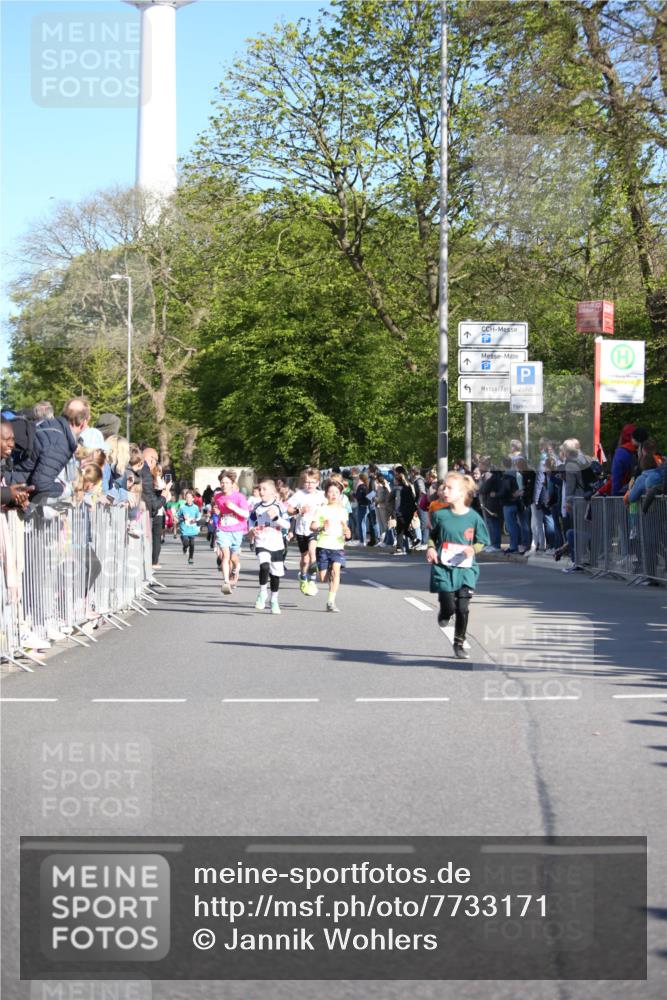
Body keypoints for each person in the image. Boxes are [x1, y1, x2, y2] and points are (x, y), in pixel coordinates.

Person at [425, 472, 489, 659]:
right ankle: (444, 612)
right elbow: (432, 537)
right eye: (443, 487)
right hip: (443, 567)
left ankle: (459, 643)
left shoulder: (474, 517)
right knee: (449, 606)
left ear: (461, 493)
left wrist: (473, 549)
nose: (444, 490)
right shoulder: (439, 515)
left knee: (462, 608)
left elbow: (482, 541)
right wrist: (430, 548)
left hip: (466, 568)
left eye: (449, 488)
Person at [248, 478, 291, 614]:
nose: (261, 491)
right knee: (264, 565)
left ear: (273, 492)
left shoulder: (279, 506)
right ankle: (262, 593)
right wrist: (251, 529)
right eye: (260, 489)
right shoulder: (257, 507)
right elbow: (250, 520)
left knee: (275, 574)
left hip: (276, 543)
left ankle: (274, 600)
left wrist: (276, 519)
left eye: (264, 489)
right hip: (262, 541)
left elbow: (288, 525)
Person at [310, 477, 352, 612]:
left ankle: (331, 601)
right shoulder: (321, 509)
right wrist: (322, 526)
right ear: (326, 494)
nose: (333, 495)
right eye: (331, 492)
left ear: (340, 494)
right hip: (323, 545)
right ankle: (314, 570)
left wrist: (347, 533)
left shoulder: (343, 511)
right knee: (323, 578)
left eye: (336, 492)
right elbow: (313, 526)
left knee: (336, 571)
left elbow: (346, 529)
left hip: (338, 546)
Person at [288, 467, 325, 596]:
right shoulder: (299, 495)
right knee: (305, 559)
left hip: (314, 529)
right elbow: (289, 510)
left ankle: (313, 580)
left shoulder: (322, 496)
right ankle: (303, 576)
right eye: (307, 482)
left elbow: (328, 509)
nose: (309, 485)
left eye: (312, 482)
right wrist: (299, 511)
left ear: (317, 483)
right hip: (301, 529)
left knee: (312, 551)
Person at [214, 470, 250, 594]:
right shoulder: (217, 496)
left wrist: (233, 508)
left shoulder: (240, 497)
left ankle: (235, 569)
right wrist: (218, 512)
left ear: (232, 483)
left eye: (227, 482)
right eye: (222, 482)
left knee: (233, 558)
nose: (224, 485)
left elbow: (246, 514)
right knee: (225, 555)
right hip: (223, 529)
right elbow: (219, 510)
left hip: (237, 530)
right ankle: (226, 582)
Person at [178, 490, 200, 565]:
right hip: (184, 529)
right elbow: (177, 516)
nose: (188, 499)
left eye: (190, 497)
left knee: (192, 544)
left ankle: (191, 558)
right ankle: (184, 547)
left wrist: (195, 519)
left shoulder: (196, 507)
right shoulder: (182, 507)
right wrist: (183, 518)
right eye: (187, 497)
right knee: (186, 543)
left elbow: (198, 516)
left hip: (193, 529)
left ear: (193, 498)